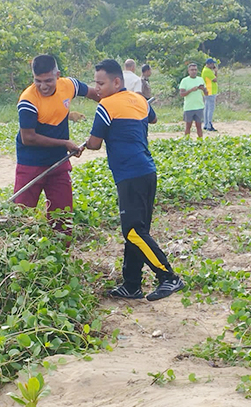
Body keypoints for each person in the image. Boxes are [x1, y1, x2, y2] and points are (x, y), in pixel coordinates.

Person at [85, 59, 185, 301]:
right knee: (138, 230)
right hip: (147, 172)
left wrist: (83, 145)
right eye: (95, 83)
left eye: (101, 83)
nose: (96, 87)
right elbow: (153, 118)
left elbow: (95, 143)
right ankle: (131, 284)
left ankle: (169, 277)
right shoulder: (138, 99)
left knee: (132, 231)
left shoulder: (106, 106)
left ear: (116, 81)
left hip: (129, 175)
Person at [14, 54, 100, 235]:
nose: (43, 86)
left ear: (58, 75)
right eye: (38, 81)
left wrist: (114, 106)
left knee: (62, 216)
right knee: (20, 215)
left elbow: (94, 93)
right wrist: (65, 143)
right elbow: (27, 138)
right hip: (31, 163)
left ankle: (61, 253)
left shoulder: (69, 85)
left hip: (59, 161)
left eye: (48, 80)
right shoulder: (28, 100)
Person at [179, 63, 208, 138]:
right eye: (192, 70)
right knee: (188, 126)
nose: (194, 71)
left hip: (199, 106)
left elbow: (206, 93)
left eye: (195, 70)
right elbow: (182, 94)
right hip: (189, 107)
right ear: (188, 71)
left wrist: (203, 89)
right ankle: (186, 140)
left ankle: (200, 140)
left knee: (199, 126)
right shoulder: (185, 81)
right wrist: (191, 90)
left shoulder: (200, 79)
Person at [201, 57, 218, 131]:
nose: (213, 65)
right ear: (209, 64)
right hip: (210, 91)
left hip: (207, 91)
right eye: (212, 63)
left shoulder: (205, 70)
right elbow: (215, 79)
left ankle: (206, 124)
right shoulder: (208, 71)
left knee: (207, 108)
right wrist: (216, 72)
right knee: (210, 109)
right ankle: (209, 124)